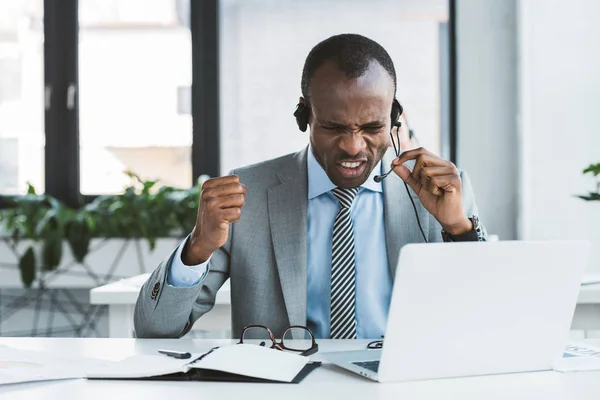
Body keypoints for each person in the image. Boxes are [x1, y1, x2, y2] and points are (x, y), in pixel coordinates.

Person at [134, 33, 486, 340]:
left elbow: (484, 320)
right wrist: (197, 247)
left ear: (393, 119)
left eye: (371, 127)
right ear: (305, 116)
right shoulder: (249, 195)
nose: (353, 145)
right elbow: (154, 330)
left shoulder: (442, 193)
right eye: (334, 127)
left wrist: (459, 230)